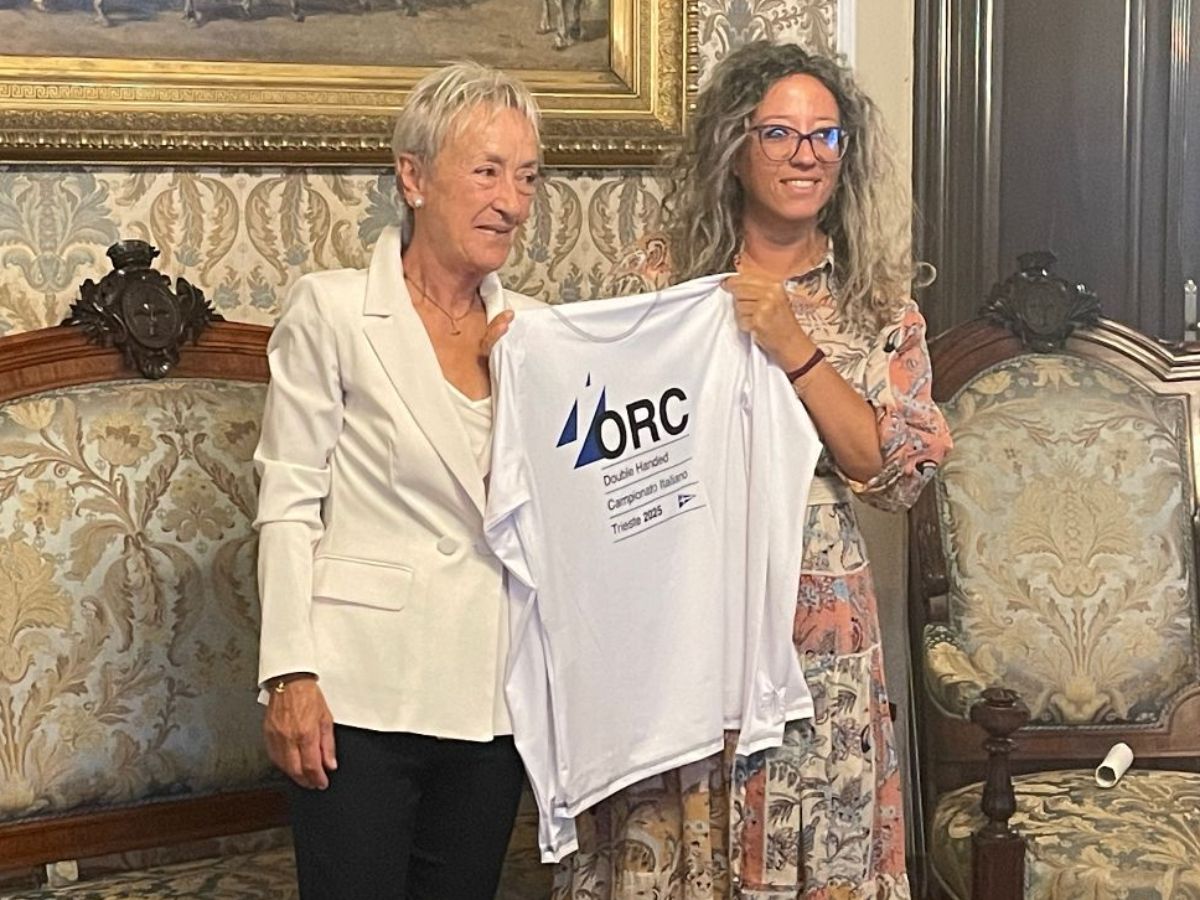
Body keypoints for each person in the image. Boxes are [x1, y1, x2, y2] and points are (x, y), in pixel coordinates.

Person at [553, 42, 951, 899]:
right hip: (677, 611)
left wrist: (791, 343)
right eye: (779, 133)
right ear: (735, 148)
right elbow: (590, 433)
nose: (806, 155)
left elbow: (893, 474)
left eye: (825, 135)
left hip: (815, 629)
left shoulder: (876, 303)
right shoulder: (661, 282)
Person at [253, 61, 543, 900]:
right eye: (487, 171)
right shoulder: (333, 311)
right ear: (413, 178)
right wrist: (290, 674)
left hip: (491, 697)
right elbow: (288, 502)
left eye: (527, 177)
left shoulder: (537, 334)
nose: (512, 202)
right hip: (357, 695)